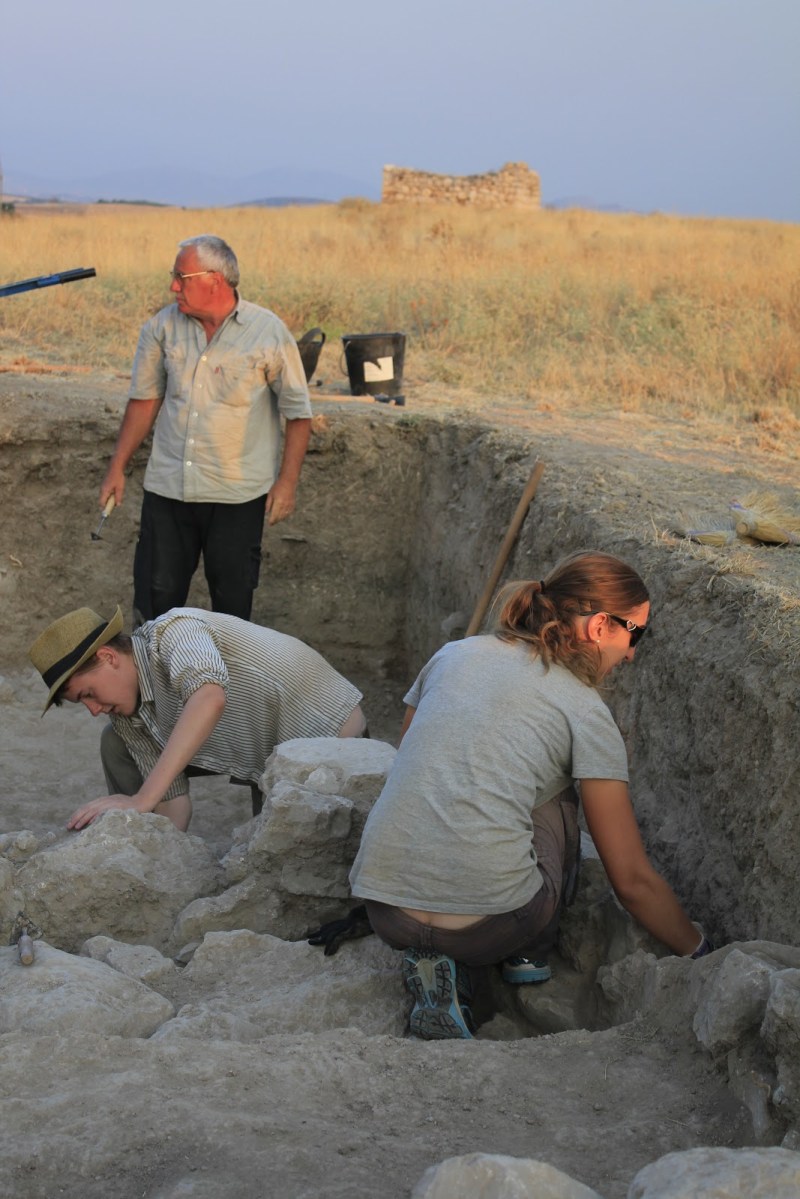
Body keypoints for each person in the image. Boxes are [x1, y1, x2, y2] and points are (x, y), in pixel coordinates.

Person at [348, 550, 713, 1041]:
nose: (631, 654)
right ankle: (526, 954)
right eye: (635, 634)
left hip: (386, 911)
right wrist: (699, 950)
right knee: (560, 796)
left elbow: (411, 759)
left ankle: (443, 968)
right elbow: (631, 881)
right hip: (491, 926)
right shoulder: (585, 711)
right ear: (600, 626)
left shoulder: (453, 654)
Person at [100, 234, 312, 625]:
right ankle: (155, 668)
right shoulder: (162, 327)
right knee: (154, 608)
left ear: (214, 280)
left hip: (237, 496)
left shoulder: (268, 332)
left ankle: (226, 670)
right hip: (168, 490)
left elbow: (298, 413)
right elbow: (144, 401)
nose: (173, 287)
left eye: (181, 277)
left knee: (232, 611)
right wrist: (117, 467)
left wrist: (287, 483)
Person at [29, 605, 367, 832]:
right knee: (114, 742)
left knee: (288, 867)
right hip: (267, 761)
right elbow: (173, 806)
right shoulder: (127, 715)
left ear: (107, 657)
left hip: (333, 742)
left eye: (88, 693)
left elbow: (209, 698)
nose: (93, 709)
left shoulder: (175, 631)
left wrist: (141, 799)